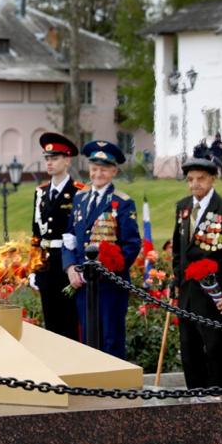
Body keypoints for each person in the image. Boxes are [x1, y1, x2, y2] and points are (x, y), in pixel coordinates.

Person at [62, 140, 141, 359]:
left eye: (104, 169)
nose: (98, 174)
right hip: (82, 282)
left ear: (114, 171)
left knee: (110, 338)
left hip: (110, 285)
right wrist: (70, 268)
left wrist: (110, 267)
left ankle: (113, 389)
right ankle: (92, 385)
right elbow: (69, 236)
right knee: (88, 338)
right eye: (94, 168)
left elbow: (132, 244)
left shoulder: (122, 202)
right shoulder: (80, 198)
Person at [171, 158, 222, 390]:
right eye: (190, 180)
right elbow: (178, 248)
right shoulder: (182, 207)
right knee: (189, 348)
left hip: (214, 296)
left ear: (212, 179)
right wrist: (177, 277)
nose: (195, 184)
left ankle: (218, 400)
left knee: (215, 349)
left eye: (201, 179)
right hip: (188, 293)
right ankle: (196, 399)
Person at [29, 132, 86, 341]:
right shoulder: (41, 192)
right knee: (50, 322)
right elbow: (36, 233)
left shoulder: (79, 191)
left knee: (69, 322)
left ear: (67, 160)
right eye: (47, 158)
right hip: (46, 264)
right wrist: (33, 267)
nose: (50, 163)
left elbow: (82, 232)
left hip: (67, 264)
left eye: (55, 158)